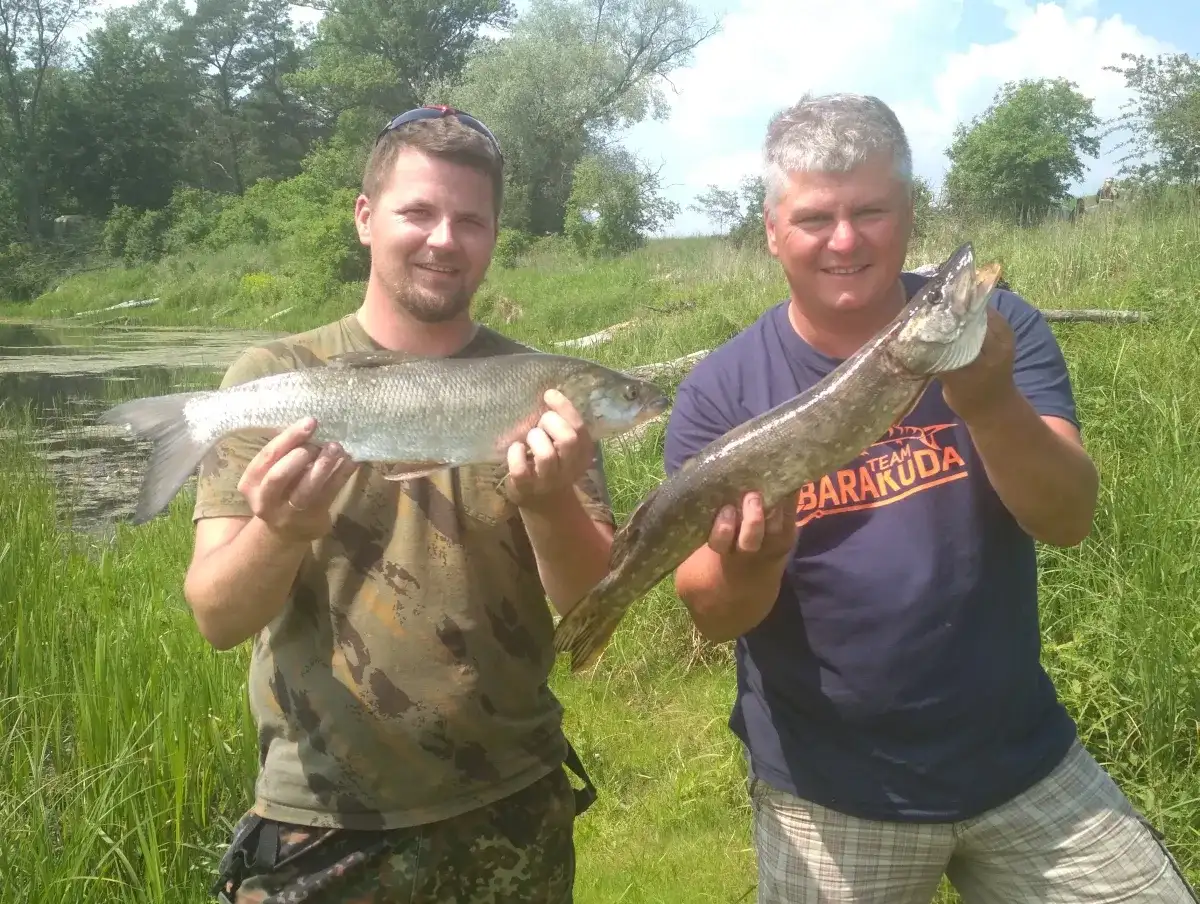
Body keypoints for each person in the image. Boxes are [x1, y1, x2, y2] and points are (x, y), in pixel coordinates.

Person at [664, 93, 1198, 904]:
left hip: (1023, 759)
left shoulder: (998, 328)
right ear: (772, 230)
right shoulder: (721, 391)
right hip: (831, 787)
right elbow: (710, 613)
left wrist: (988, 403)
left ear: (909, 212)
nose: (845, 239)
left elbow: (1068, 519)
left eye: (872, 210)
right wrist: (753, 564)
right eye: (814, 218)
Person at [186, 105, 613, 903]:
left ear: (493, 235)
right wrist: (281, 533)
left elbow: (592, 604)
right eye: (417, 211)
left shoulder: (544, 389)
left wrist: (550, 504)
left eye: (470, 220)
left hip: (514, 801)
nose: (444, 239)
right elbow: (217, 616)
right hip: (323, 817)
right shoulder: (272, 379)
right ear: (364, 218)